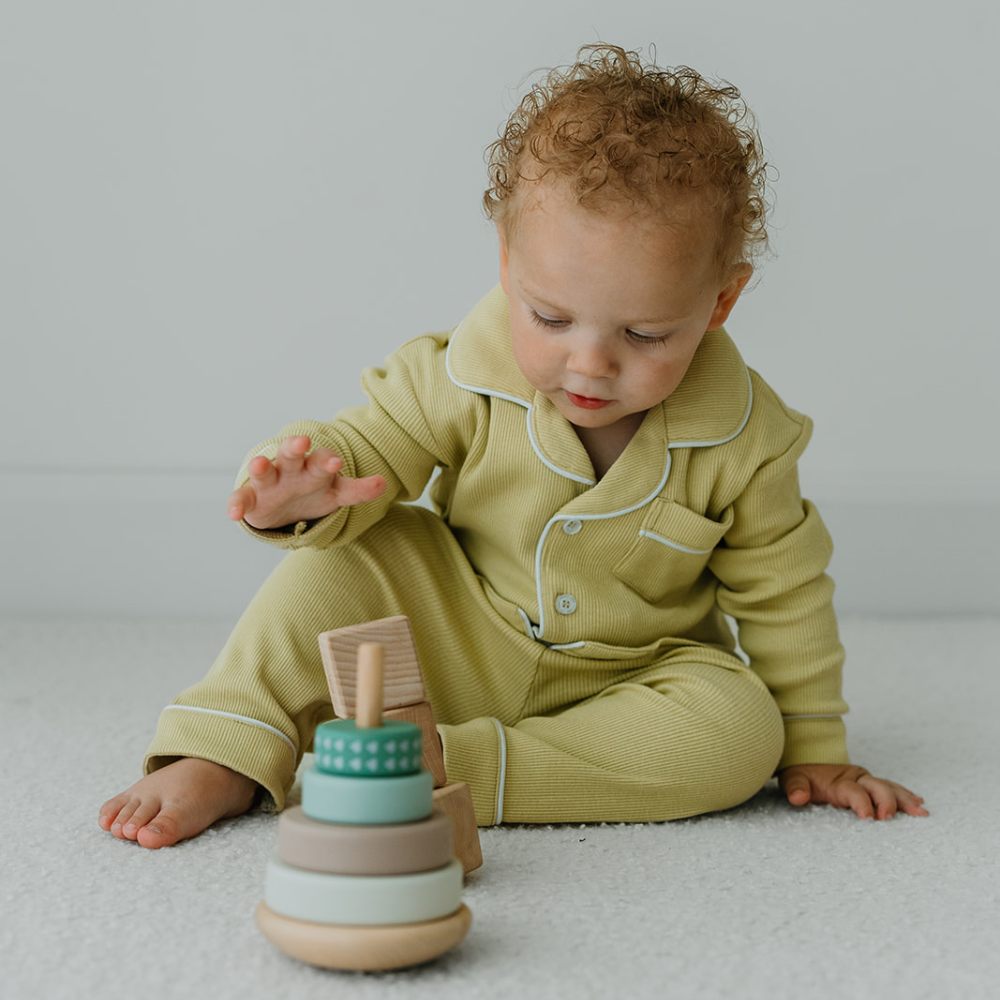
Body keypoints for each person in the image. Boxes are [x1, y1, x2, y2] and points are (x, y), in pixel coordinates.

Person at [99, 43, 928, 849]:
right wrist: (307, 484)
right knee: (344, 563)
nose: (591, 363)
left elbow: (784, 593)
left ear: (721, 301)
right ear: (506, 265)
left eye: (645, 333)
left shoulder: (747, 436)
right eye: (552, 318)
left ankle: (454, 764)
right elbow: (370, 441)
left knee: (741, 732)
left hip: (627, 678)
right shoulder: (463, 370)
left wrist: (817, 745)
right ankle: (225, 745)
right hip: (452, 641)